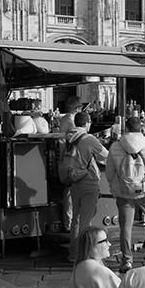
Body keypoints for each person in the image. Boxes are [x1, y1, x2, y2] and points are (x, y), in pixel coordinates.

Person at [105, 116, 145, 274]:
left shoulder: (115, 146)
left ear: (126, 128)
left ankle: (127, 261)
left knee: (126, 227)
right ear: (141, 129)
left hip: (124, 193)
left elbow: (109, 172)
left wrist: (114, 188)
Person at [64, 111, 108, 263]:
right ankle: (82, 256)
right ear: (87, 122)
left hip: (75, 180)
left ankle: (73, 253)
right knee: (85, 220)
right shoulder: (89, 139)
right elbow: (105, 156)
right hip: (89, 181)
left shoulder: (69, 136)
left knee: (75, 218)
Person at [59, 96, 84, 232]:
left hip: (65, 156)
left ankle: (70, 221)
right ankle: (69, 223)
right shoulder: (71, 121)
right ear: (77, 108)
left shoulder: (64, 119)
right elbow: (79, 136)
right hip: (71, 157)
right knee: (70, 190)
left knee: (69, 189)